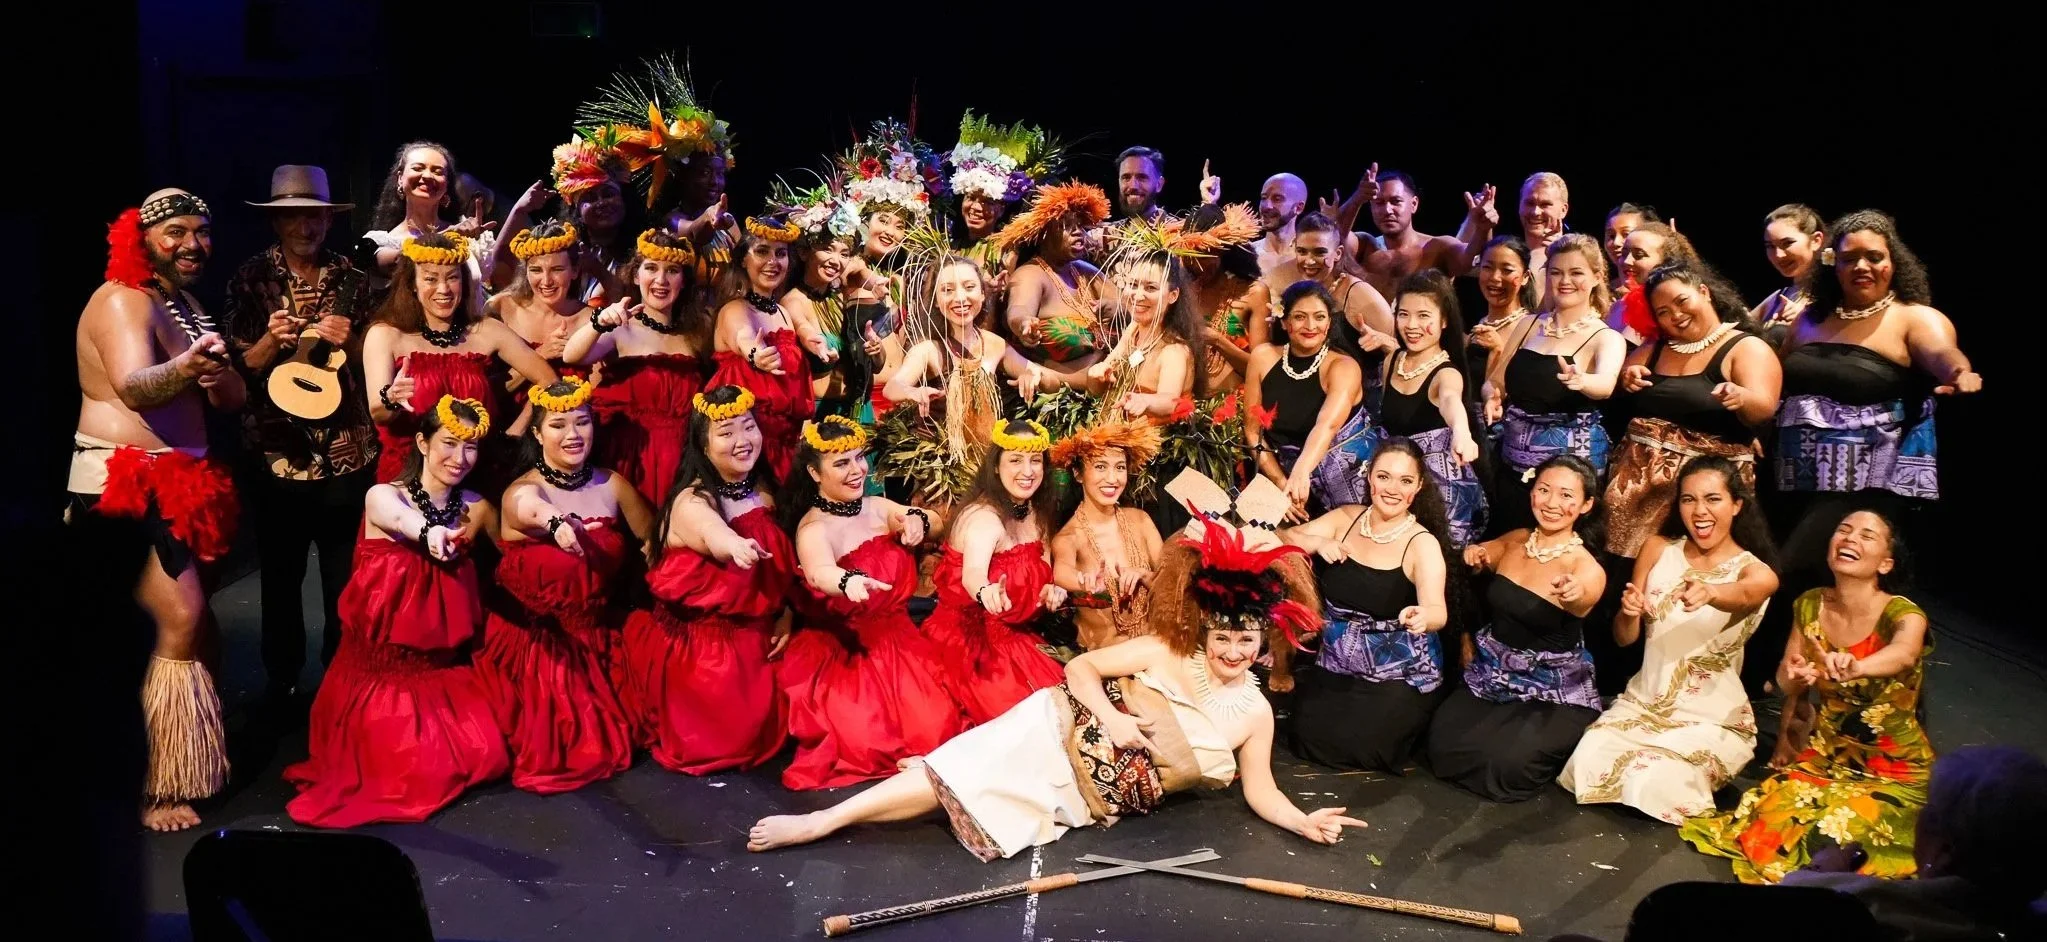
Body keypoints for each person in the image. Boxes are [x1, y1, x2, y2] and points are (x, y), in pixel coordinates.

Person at [745, 500, 1366, 862]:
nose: (1231, 651)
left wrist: (1303, 822)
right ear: (1207, 633)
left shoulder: (1256, 715)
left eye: (1244, 642)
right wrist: (1117, 719)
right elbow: (1081, 667)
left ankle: (932, 767)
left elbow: (1261, 790)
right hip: (1056, 724)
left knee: (969, 785)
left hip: (1087, 794)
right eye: (1223, 638)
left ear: (1262, 648)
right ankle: (823, 821)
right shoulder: (1170, 649)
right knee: (956, 778)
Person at [73, 189, 244, 831]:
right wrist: (189, 365)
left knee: (199, 630)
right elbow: (136, 387)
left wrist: (219, 375)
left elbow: (227, 399)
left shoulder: (188, 305)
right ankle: (153, 784)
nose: (193, 244)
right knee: (179, 616)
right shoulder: (122, 299)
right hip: (124, 480)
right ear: (140, 237)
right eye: (176, 232)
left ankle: (194, 758)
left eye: (202, 231)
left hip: (185, 481)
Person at [1760, 211, 1976, 694]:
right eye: (1850, 257)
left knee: (1792, 571)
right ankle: (1789, 688)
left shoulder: (1911, 318)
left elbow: (1944, 354)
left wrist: (1960, 374)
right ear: (1831, 263)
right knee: (1790, 574)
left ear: (1893, 261)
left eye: (1874, 257)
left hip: (1865, 486)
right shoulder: (1813, 320)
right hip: (1794, 475)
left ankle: (1834, 689)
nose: (1863, 266)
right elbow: (1773, 376)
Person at [283, 395, 507, 826]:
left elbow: (510, 562)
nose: (460, 458)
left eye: (471, 447)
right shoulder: (383, 497)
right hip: (378, 677)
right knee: (408, 777)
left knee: (487, 754)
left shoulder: (477, 508)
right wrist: (430, 533)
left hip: (438, 674)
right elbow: (403, 521)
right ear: (422, 443)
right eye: (448, 443)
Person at [1682, 508, 1935, 884]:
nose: (1850, 538)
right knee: (1770, 818)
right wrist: (1795, 677)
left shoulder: (1903, 613)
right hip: (1826, 759)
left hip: (1893, 769)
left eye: (1866, 536)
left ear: (1886, 563)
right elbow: (1788, 680)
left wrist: (1858, 666)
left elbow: (1905, 652)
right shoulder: (1810, 604)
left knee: (1834, 830)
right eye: (1844, 530)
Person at [225, 166, 376, 704]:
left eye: (314, 216)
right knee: (281, 581)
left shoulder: (350, 276)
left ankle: (342, 686)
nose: (304, 227)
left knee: (344, 581)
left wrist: (352, 340)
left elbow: (373, 359)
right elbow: (235, 369)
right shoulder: (249, 279)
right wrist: (269, 342)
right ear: (276, 223)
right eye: (293, 217)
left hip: (346, 453)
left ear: (327, 221)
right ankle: (282, 683)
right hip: (278, 454)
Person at [1561, 457, 1780, 823]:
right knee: (1587, 759)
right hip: (1643, 705)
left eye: (1713, 499)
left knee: (1659, 778)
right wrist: (1629, 613)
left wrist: (1711, 592)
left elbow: (1744, 595)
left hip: (1709, 720)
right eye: (1688, 499)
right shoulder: (1658, 548)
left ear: (1737, 505)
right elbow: (1623, 638)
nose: (1700, 511)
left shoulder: (1755, 571)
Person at [477, 377, 656, 793]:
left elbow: (652, 540)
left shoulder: (611, 484)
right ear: (537, 433)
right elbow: (527, 510)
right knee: (567, 746)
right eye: (558, 425)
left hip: (598, 634)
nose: (573, 435)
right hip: (540, 643)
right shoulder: (524, 490)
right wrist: (556, 523)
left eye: (582, 422)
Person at [774, 416, 964, 790]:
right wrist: (846, 581)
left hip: (900, 640)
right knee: (870, 744)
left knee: (936, 730)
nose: (856, 470)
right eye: (841, 463)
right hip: (849, 652)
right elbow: (817, 572)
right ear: (815, 472)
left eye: (859, 459)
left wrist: (917, 521)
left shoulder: (877, 507)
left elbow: (936, 522)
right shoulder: (814, 528)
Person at [622, 386, 793, 774]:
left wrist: (786, 613)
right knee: (728, 744)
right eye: (726, 432)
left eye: (748, 427)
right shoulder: (692, 502)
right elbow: (714, 534)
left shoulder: (762, 491)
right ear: (703, 443)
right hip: (703, 649)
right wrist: (735, 546)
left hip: (759, 634)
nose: (742, 441)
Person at [1429, 456, 1607, 802]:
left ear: (1586, 505)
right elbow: (1482, 553)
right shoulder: (1518, 540)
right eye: (1544, 490)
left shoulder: (1584, 566)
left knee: (1506, 767)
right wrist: (1475, 555)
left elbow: (1586, 594)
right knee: (1442, 743)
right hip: (1493, 672)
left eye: (1567, 495)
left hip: (1551, 689)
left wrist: (1573, 593)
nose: (1552, 503)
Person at [1282, 439, 1455, 772]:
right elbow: (1284, 537)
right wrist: (1318, 542)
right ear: (1370, 478)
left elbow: (1438, 610)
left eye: (1405, 481)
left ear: (1418, 487)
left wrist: (1423, 617)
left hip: (1398, 673)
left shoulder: (1422, 543)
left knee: (1369, 748)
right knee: (1307, 738)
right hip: (1336, 663)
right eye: (1384, 477)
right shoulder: (1345, 518)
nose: (1392, 489)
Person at [1604, 262, 1779, 560]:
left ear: (1704, 292)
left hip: (1701, 495)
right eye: (1663, 312)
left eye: (1681, 301)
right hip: (1637, 494)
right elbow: (1621, 377)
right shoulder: (1657, 347)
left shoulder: (1745, 347)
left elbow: (1763, 408)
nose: (1676, 315)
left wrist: (1742, 397)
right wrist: (1628, 377)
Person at [1782, 746, 2047, 942]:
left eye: (1928, 811)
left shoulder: (1868, 907)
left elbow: (1789, 901)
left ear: (1945, 850)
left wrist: (1820, 871)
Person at [361, 232, 557, 482]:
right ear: (412, 283)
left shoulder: (486, 331)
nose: (443, 289)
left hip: (477, 474)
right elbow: (379, 413)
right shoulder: (386, 335)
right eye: (430, 279)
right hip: (410, 477)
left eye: (452, 278)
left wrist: (515, 433)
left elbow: (548, 381)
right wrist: (391, 399)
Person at [921, 420, 1069, 724]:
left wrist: (1053, 593)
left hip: (1015, 637)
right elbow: (972, 573)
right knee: (1021, 723)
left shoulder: (1036, 514)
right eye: (1015, 460)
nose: (1027, 471)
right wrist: (985, 590)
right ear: (997, 467)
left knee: (1063, 710)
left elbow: (1045, 577)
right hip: (970, 645)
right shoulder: (982, 519)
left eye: (1035, 461)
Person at [1483, 234, 1624, 533]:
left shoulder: (1605, 337)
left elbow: (1606, 384)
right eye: (1557, 272)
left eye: (1576, 273)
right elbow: (1495, 382)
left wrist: (1582, 380)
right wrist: (1492, 397)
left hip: (1565, 481)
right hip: (1512, 468)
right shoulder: (1528, 324)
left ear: (1597, 277)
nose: (1564, 281)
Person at [566, 228, 713, 505]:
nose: (661, 280)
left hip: (683, 461)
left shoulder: (698, 334)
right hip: (628, 458)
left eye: (672, 270)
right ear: (636, 275)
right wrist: (599, 323)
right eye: (651, 268)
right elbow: (572, 356)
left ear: (684, 281)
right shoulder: (622, 327)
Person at [708, 221, 833, 483]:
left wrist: (814, 341)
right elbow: (743, 336)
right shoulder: (734, 309)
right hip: (750, 451)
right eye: (762, 251)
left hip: (785, 449)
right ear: (743, 260)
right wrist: (755, 354)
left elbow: (803, 330)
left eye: (780, 253)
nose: (773, 261)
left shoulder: (782, 313)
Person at [1243, 281, 1371, 521]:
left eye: (1319, 317)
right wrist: (1282, 484)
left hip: (1347, 486)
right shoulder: (1263, 357)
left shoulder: (1343, 366)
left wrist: (1301, 472)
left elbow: (1327, 425)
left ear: (1329, 323)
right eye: (1300, 317)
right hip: (1286, 484)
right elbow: (1252, 432)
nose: (1310, 326)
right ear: (1285, 322)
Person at [1379, 271, 1488, 546]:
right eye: (1403, 314)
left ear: (1444, 321)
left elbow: (1451, 401)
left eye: (1423, 316)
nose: (1411, 325)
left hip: (1444, 494)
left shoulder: (1446, 373)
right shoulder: (1392, 360)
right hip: (1398, 484)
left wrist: (1462, 433)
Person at [1049, 420, 1167, 651]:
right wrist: (1085, 583)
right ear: (1078, 474)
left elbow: (1172, 583)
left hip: (1154, 644)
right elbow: (1062, 573)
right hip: (1104, 654)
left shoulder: (1141, 520)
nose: (1112, 479)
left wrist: (1142, 574)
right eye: (1101, 467)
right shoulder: (1069, 537)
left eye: (1120, 467)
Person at [996, 182, 1112, 372]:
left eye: (1080, 225)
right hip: (1054, 394)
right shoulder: (1030, 275)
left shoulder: (1086, 271)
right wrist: (1023, 323)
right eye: (1065, 225)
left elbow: (1133, 309)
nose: (1077, 232)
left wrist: (1117, 309)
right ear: (1042, 234)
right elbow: (1019, 308)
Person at [1259, 212, 1394, 367]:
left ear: (1338, 253)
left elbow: (1400, 353)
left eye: (1319, 252)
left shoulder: (1361, 296)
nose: (1309, 261)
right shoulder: (1289, 288)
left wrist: (1385, 343)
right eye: (1302, 251)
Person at [360, 141, 493, 294]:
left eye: (437, 171)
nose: (428, 176)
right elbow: (401, 261)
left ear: (447, 184)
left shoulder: (467, 236)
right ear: (400, 178)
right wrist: (447, 236)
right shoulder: (380, 242)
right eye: (418, 168)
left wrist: (518, 212)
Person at [489, 219, 598, 397]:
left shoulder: (591, 321)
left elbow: (597, 394)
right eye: (536, 270)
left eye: (557, 269)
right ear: (526, 271)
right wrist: (539, 355)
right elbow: (486, 389)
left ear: (575, 271)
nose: (546, 281)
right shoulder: (501, 308)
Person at [1351, 168, 1497, 299]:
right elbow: (1336, 240)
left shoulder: (1438, 248)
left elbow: (1470, 258)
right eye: (1379, 203)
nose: (1387, 210)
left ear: (1413, 204)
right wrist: (1355, 200)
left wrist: (1482, 229)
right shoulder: (1364, 247)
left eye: (1396, 201)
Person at [1750, 203, 1828, 340]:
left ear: (1816, 240)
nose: (1778, 255)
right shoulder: (1780, 296)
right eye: (1770, 246)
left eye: (1787, 243)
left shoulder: (1837, 294)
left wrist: (1806, 318)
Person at [1252, 172, 1308, 276]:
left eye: (1277, 199)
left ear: (1298, 208)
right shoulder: (1248, 254)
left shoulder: (1309, 258)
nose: (1266, 206)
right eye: (1264, 198)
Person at [1114, 146, 1169, 223]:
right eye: (1126, 178)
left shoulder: (1179, 231)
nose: (1133, 186)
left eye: (1142, 177)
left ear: (1159, 184)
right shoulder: (1106, 232)